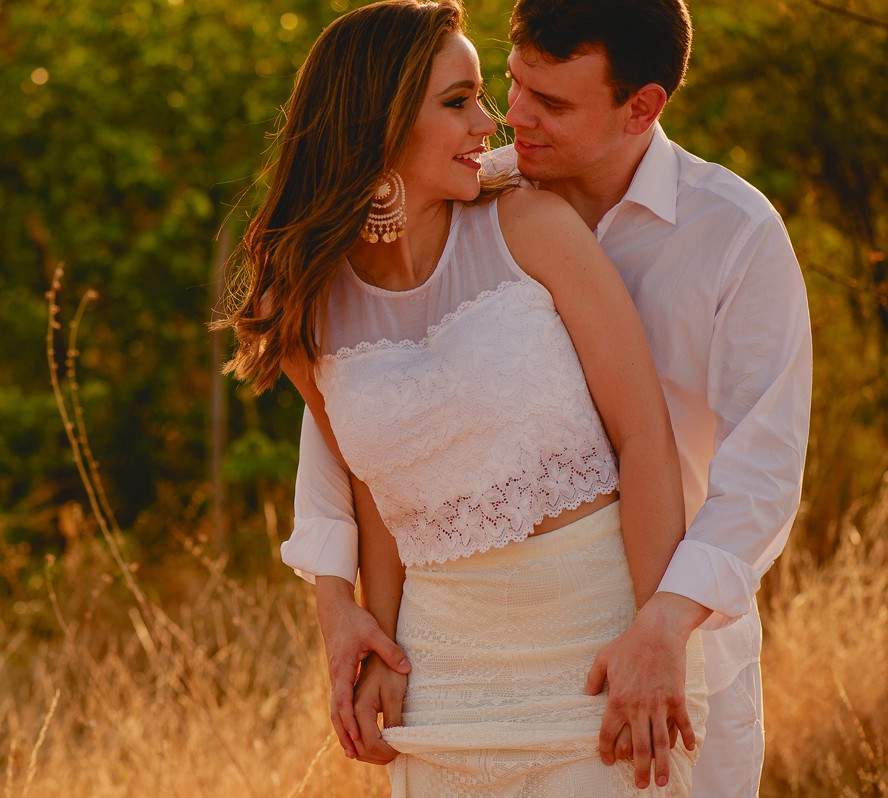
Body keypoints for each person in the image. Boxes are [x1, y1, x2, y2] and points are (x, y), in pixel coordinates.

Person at [282, 0, 813, 796]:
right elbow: (360, 440)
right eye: (511, 85)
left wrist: (663, 622)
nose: (510, 119)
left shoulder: (732, 235)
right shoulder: (466, 200)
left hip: (667, 639)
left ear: (642, 108)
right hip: (459, 661)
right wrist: (343, 610)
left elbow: (761, 475)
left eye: (552, 104)